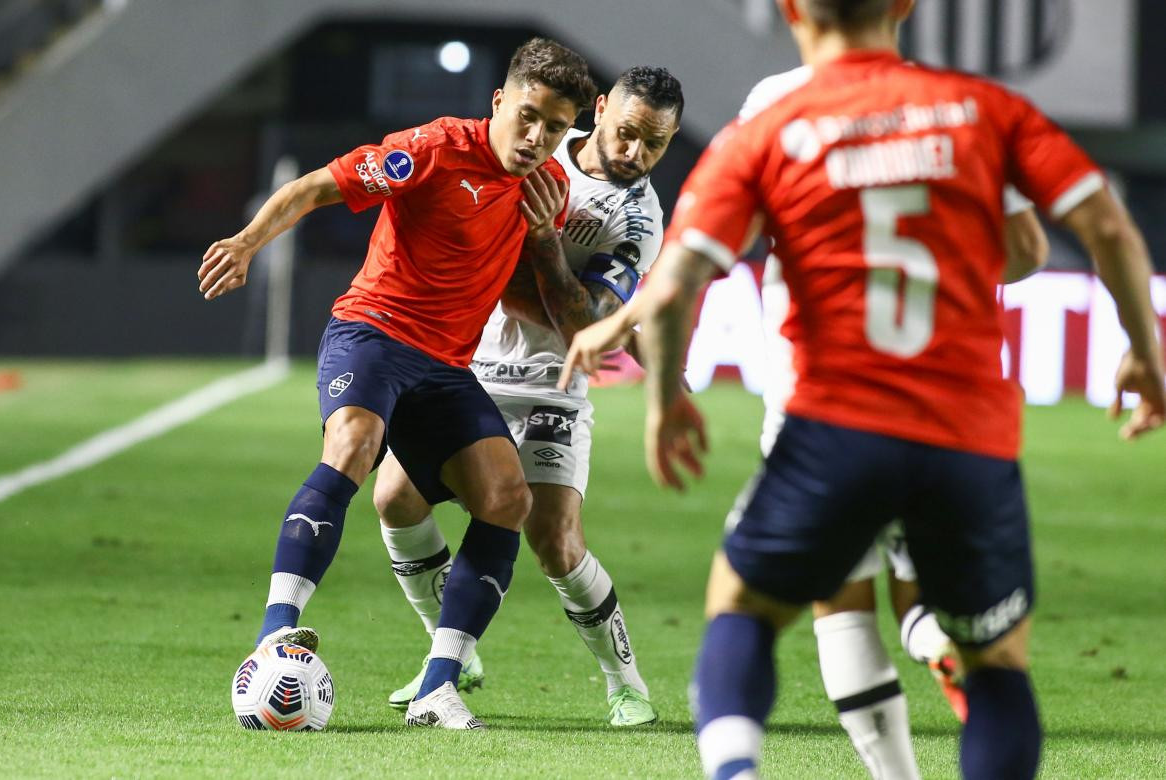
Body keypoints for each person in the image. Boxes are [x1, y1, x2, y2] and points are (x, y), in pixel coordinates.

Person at [560, 1, 1165, 778]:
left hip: (828, 416)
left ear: (790, 11)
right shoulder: (981, 107)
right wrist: (1144, 353)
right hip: (967, 427)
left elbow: (682, 272)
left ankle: (745, 769)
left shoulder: (776, 113)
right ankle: (933, 643)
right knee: (997, 659)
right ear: (907, 8)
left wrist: (664, 393)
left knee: (762, 605)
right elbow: (1080, 236)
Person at [198, 37, 598, 730]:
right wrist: (246, 242)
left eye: (556, 129)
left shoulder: (549, 193)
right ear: (499, 101)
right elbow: (315, 187)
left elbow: (539, 301)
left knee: (507, 499)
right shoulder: (435, 148)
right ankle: (275, 631)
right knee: (354, 442)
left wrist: (544, 247)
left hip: (445, 366)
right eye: (527, 117)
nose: (537, 139)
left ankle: (438, 686)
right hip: (375, 331)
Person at [373, 66, 684, 727]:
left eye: (654, 145)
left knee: (555, 541)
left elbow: (584, 329)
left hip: (553, 385)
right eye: (626, 134)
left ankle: (625, 685)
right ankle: (449, 652)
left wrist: (543, 240)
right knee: (395, 499)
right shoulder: (534, 143)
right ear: (598, 111)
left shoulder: (637, 217)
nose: (634, 154)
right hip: (469, 368)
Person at [754, 186, 1047, 779]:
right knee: (947, 601)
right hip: (931, 404)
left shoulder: (778, 116)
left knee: (833, 604)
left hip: (814, 409)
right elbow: (1030, 248)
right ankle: (933, 639)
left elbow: (707, 245)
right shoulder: (967, 121)